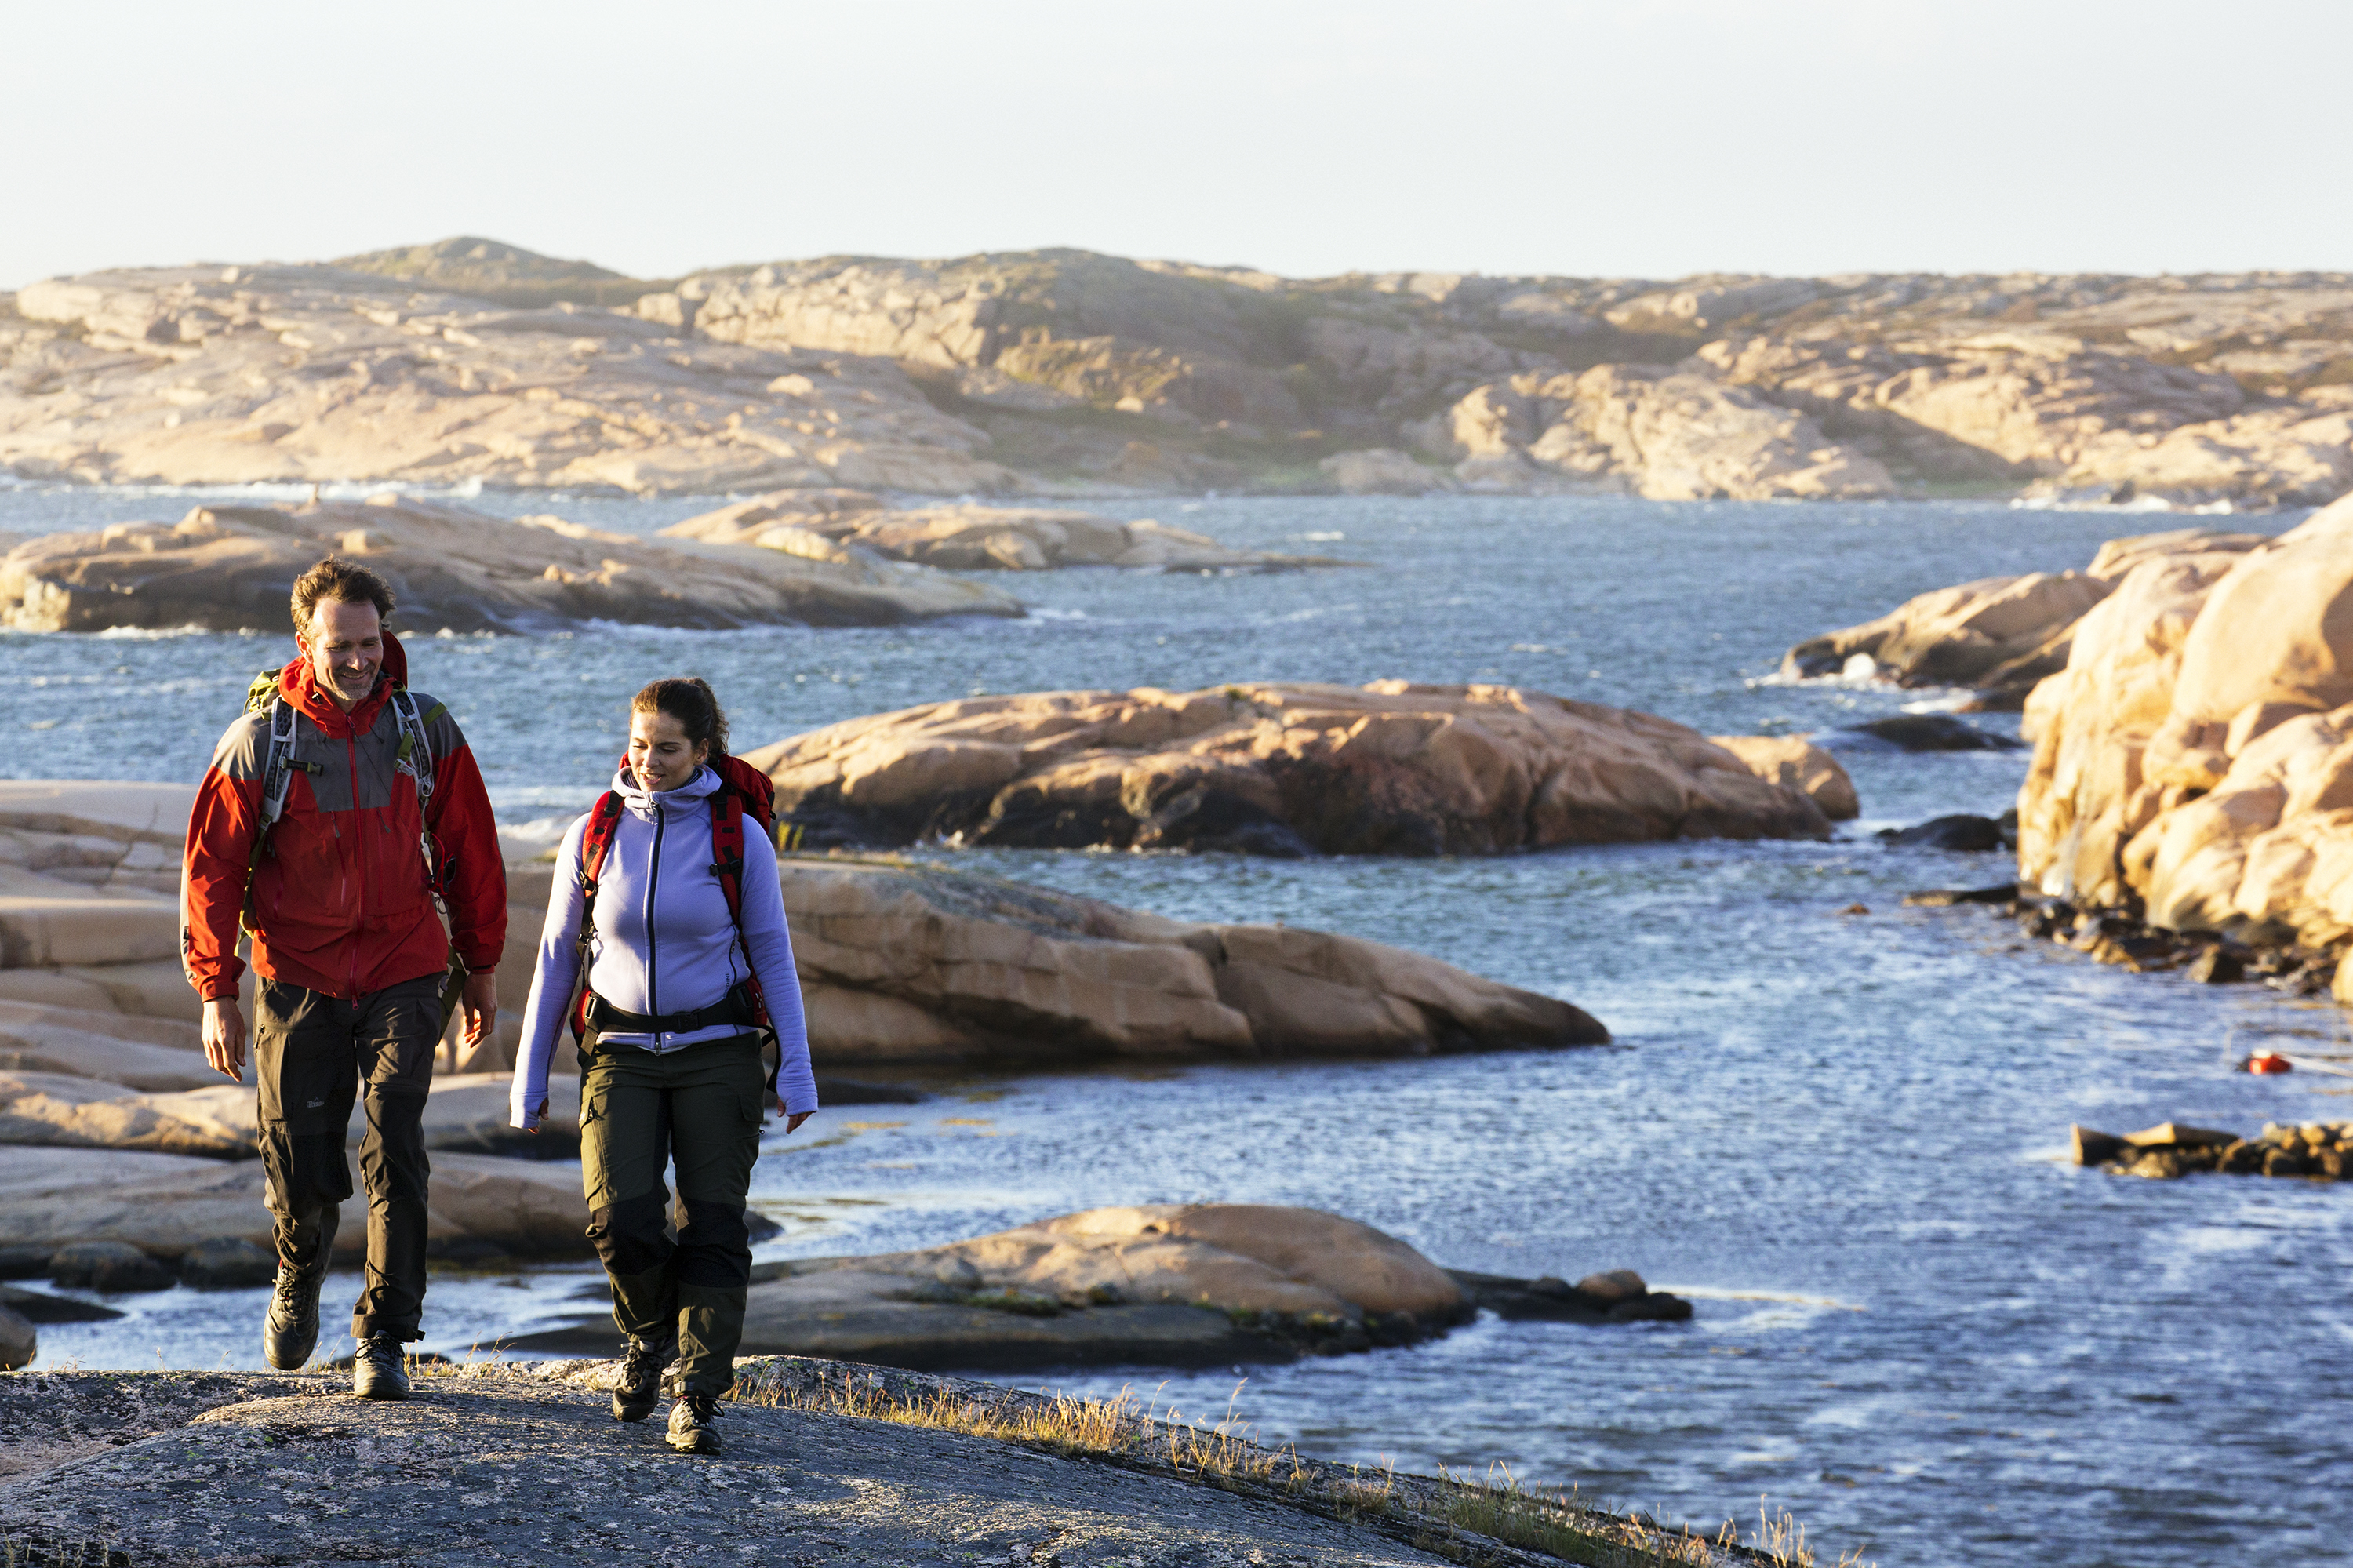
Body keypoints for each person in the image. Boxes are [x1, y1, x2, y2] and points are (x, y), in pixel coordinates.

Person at [183, 557, 506, 1400]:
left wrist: (481, 967)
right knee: (302, 1160)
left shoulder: (423, 729)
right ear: (305, 641)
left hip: (406, 964)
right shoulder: (263, 741)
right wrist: (215, 989)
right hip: (297, 976)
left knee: (396, 1132)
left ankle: (386, 1337)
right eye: (342, 645)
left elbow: (472, 851)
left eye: (371, 642)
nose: (360, 660)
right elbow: (211, 871)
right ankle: (299, 1266)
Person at [509, 677, 816, 1456]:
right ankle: (649, 1333)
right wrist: (529, 1075)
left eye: (668, 748)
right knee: (620, 1220)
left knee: (713, 1222)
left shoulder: (738, 837)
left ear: (703, 750)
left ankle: (699, 1396)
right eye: (640, 743)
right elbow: (554, 958)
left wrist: (798, 1068)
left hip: (718, 1053)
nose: (649, 759)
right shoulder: (595, 832)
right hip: (619, 1053)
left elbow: (774, 954)